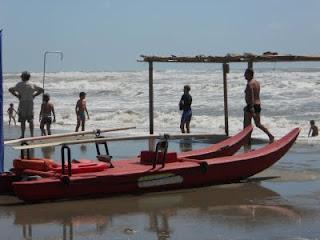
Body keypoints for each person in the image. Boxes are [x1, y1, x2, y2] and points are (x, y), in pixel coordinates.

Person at [243, 68, 274, 146]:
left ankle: (247, 142)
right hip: (257, 105)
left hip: (251, 106)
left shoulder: (250, 84)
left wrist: (251, 108)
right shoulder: (257, 82)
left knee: (246, 126)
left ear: (250, 74)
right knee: (258, 124)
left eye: (246, 74)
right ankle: (270, 135)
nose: (244, 75)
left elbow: (252, 96)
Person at [8, 71, 44, 138]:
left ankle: (22, 135)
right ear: (29, 77)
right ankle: (32, 135)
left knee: (23, 120)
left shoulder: (19, 84)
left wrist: (17, 96)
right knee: (31, 119)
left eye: (21, 76)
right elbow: (42, 90)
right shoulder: (32, 84)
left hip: (22, 102)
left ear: (23, 77)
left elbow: (10, 89)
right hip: (30, 102)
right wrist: (34, 95)